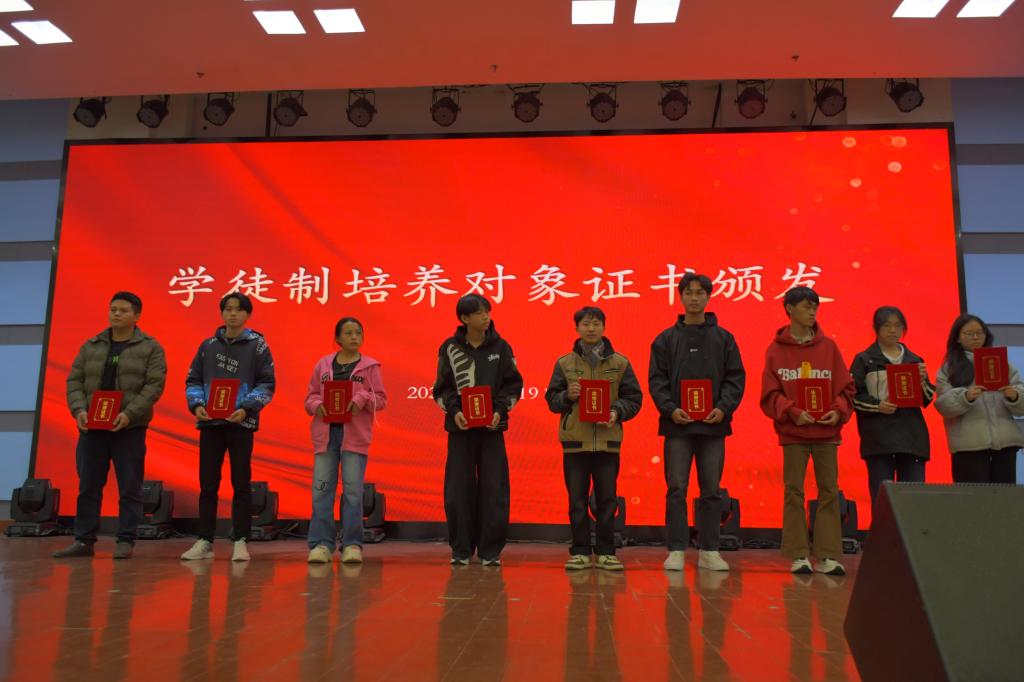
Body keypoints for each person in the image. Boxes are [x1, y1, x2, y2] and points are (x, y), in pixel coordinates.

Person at [54, 292, 167, 559]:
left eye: (123, 310)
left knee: (130, 486)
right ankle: (84, 540)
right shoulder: (91, 345)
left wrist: (129, 414)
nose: (116, 314)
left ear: (137, 316)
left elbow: (154, 386)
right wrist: (79, 410)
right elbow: (74, 381)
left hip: (129, 428)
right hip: (92, 427)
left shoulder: (150, 347)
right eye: (113, 309)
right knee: (88, 486)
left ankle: (125, 539)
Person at [648, 273, 745, 572]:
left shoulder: (724, 338)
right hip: (677, 425)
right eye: (688, 292)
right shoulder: (665, 339)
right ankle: (676, 549)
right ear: (680, 297)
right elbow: (657, 380)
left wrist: (723, 408)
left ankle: (710, 550)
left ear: (708, 297)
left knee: (712, 489)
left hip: (714, 425)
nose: (694, 298)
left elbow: (735, 378)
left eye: (700, 293)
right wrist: (670, 409)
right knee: (676, 487)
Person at [760, 286, 854, 575]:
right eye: (806, 306)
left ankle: (828, 555)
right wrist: (792, 412)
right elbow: (770, 393)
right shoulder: (776, 350)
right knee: (794, 492)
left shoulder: (829, 347)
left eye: (815, 306)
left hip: (827, 434)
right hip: (793, 434)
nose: (812, 312)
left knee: (829, 492)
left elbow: (846, 388)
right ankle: (798, 554)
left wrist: (837, 410)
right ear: (789, 309)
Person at [545, 306, 643, 571]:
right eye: (586, 324)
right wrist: (567, 396)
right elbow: (552, 401)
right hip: (575, 443)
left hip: (608, 443)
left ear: (604, 327)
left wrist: (616, 412)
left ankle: (606, 552)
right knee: (576, 501)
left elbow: (634, 399)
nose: (591, 329)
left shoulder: (620, 363)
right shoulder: (565, 363)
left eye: (596, 323)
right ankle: (579, 551)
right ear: (577, 328)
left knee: (607, 501)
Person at [180, 292, 275, 562]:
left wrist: (246, 408)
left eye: (238, 309)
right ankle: (204, 540)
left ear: (248, 314)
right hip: (210, 423)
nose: (232, 314)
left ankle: (240, 540)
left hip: (241, 423)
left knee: (241, 483)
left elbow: (267, 384)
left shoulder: (258, 346)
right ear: (221, 313)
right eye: (228, 309)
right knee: (208, 483)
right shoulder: (208, 346)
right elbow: (193, 380)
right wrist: (197, 404)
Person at [432, 294, 523, 566]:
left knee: (495, 488)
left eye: (488, 312)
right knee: (458, 490)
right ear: (464, 318)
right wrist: (455, 412)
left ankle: (490, 551)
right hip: (460, 430)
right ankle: (461, 549)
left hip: (492, 430)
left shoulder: (502, 347)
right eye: (480, 313)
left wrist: (499, 411)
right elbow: (441, 388)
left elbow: (513, 385)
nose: (486, 317)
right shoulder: (449, 348)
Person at [304, 317, 388, 564]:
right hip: (326, 436)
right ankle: (321, 544)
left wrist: (363, 398)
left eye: (358, 333)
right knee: (321, 490)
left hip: (354, 437)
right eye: (349, 333)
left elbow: (381, 399)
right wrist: (317, 405)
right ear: (337, 338)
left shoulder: (370, 367)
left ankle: (352, 544)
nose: (354, 337)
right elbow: (310, 397)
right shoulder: (323, 365)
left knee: (352, 492)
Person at [850, 306, 933, 513]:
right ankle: (882, 535)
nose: (893, 330)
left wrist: (922, 380)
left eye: (898, 326)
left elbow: (927, 399)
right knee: (882, 501)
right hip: (878, 440)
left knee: (913, 503)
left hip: (912, 440)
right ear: (876, 329)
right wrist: (877, 406)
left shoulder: (914, 360)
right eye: (887, 325)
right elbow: (852, 397)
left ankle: (912, 535)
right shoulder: (864, 360)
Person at [935, 314, 1024, 483]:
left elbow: (1022, 399)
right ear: (957, 338)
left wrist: (1015, 396)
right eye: (969, 333)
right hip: (969, 446)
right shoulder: (950, 368)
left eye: (980, 332)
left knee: (1004, 496)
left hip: (1006, 444)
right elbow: (943, 406)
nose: (976, 337)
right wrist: (965, 397)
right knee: (974, 497)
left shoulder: (1001, 363)